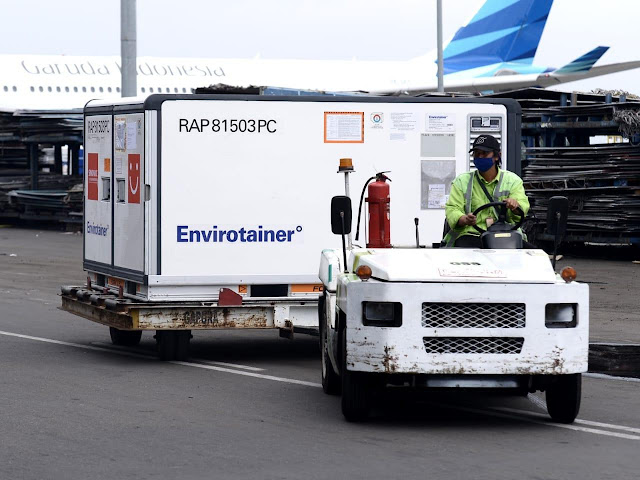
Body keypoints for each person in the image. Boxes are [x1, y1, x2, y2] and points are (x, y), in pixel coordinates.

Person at [443, 134, 530, 248]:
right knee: (464, 253)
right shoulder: (462, 181)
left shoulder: (513, 180)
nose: (480, 157)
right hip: (471, 234)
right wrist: (464, 219)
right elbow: (453, 209)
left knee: (534, 257)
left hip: (505, 234)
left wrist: (515, 206)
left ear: (497, 156)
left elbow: (523, 206)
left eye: (484, 153)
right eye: (477, 153)